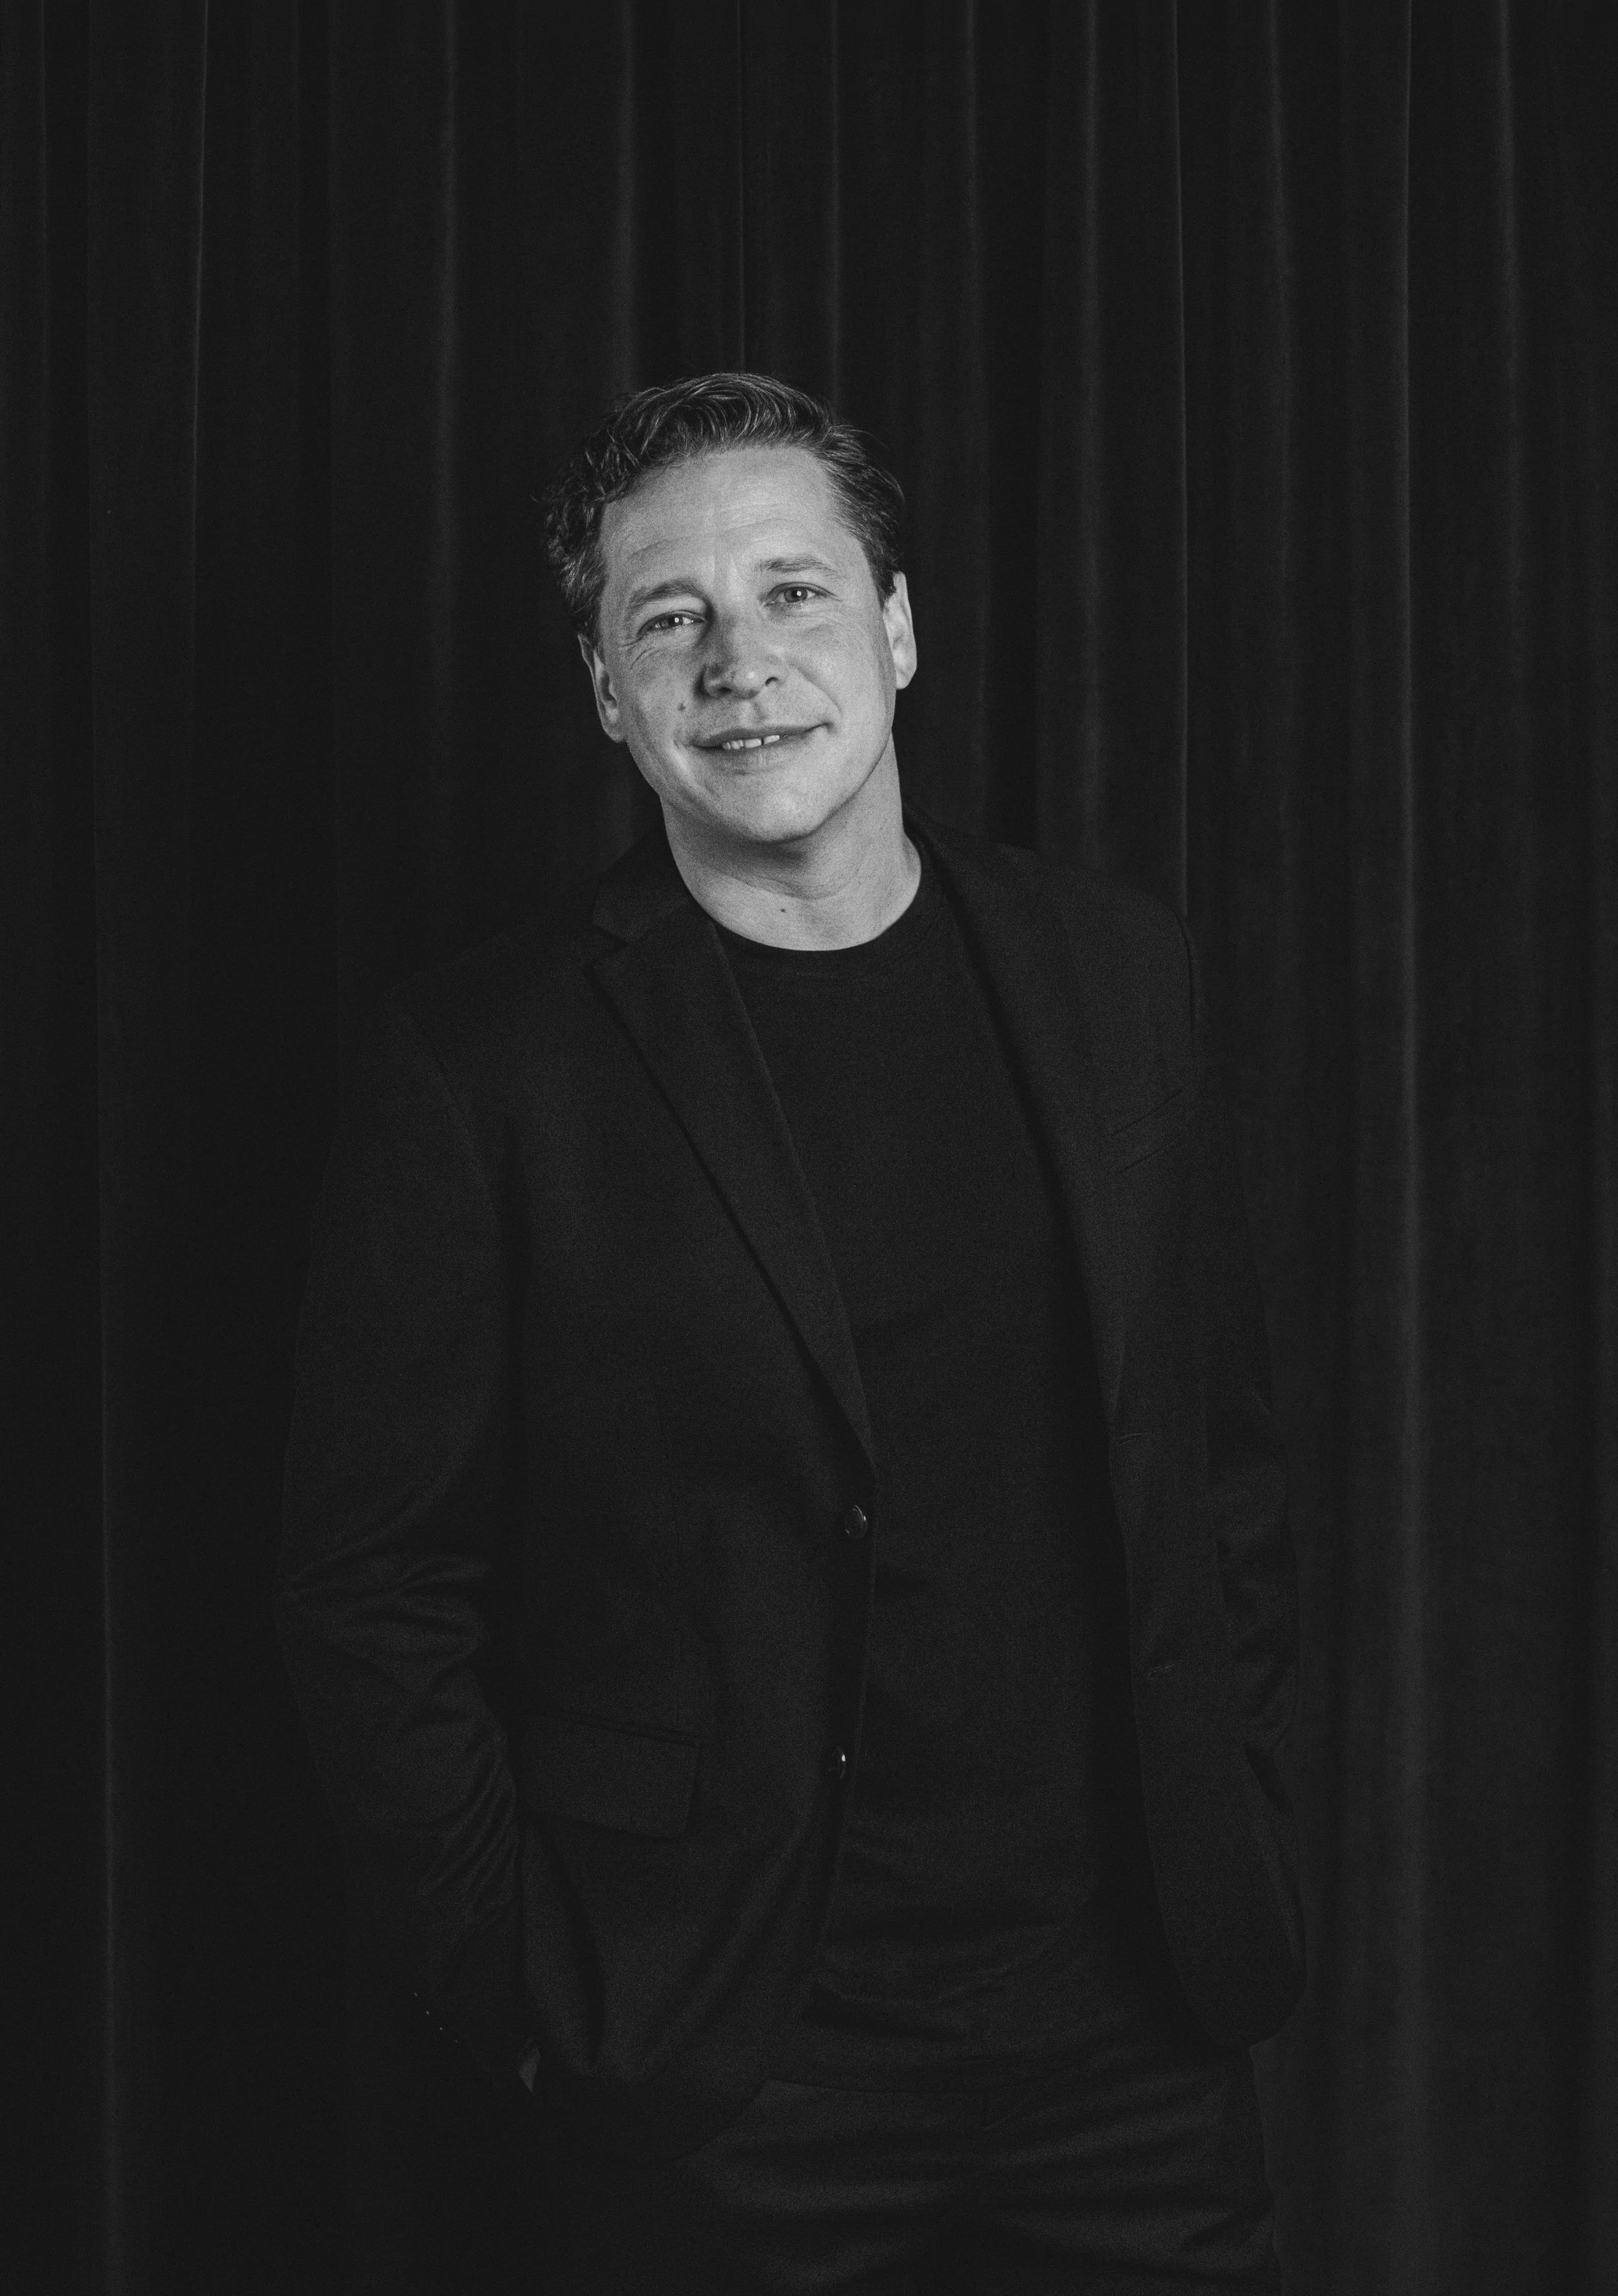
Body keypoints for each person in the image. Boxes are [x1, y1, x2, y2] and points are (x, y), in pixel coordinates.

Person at [276, 371, 1304, 2292]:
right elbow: (369, 1586)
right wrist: (528, 1987)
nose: (738, 661)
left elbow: (1216, 1469)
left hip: (1133, 2053)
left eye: (794, 592)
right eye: (668, 616)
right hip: (724, 2076)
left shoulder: (1117, 981)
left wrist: (1237, 1810)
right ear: (607, 690)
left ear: (896, 628)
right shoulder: (478, 1069)